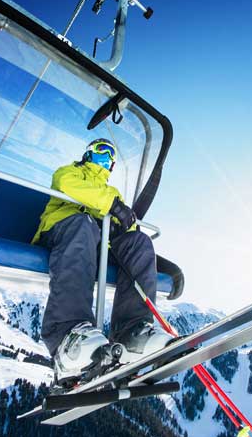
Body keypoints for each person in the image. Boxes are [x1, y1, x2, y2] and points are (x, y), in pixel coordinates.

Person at [32, 138, 171, 384]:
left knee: (139, 243)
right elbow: (68, 186)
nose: (105, 158)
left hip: (93, 242)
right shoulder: (71, 172)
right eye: (101, 151)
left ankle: (132, 332)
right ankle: (67, 337)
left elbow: (121, 225)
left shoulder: (112, 193)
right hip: (61, 231)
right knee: (83, 225)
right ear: (88, 154)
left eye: (111, 156)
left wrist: (123, 229)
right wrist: (112, 207)